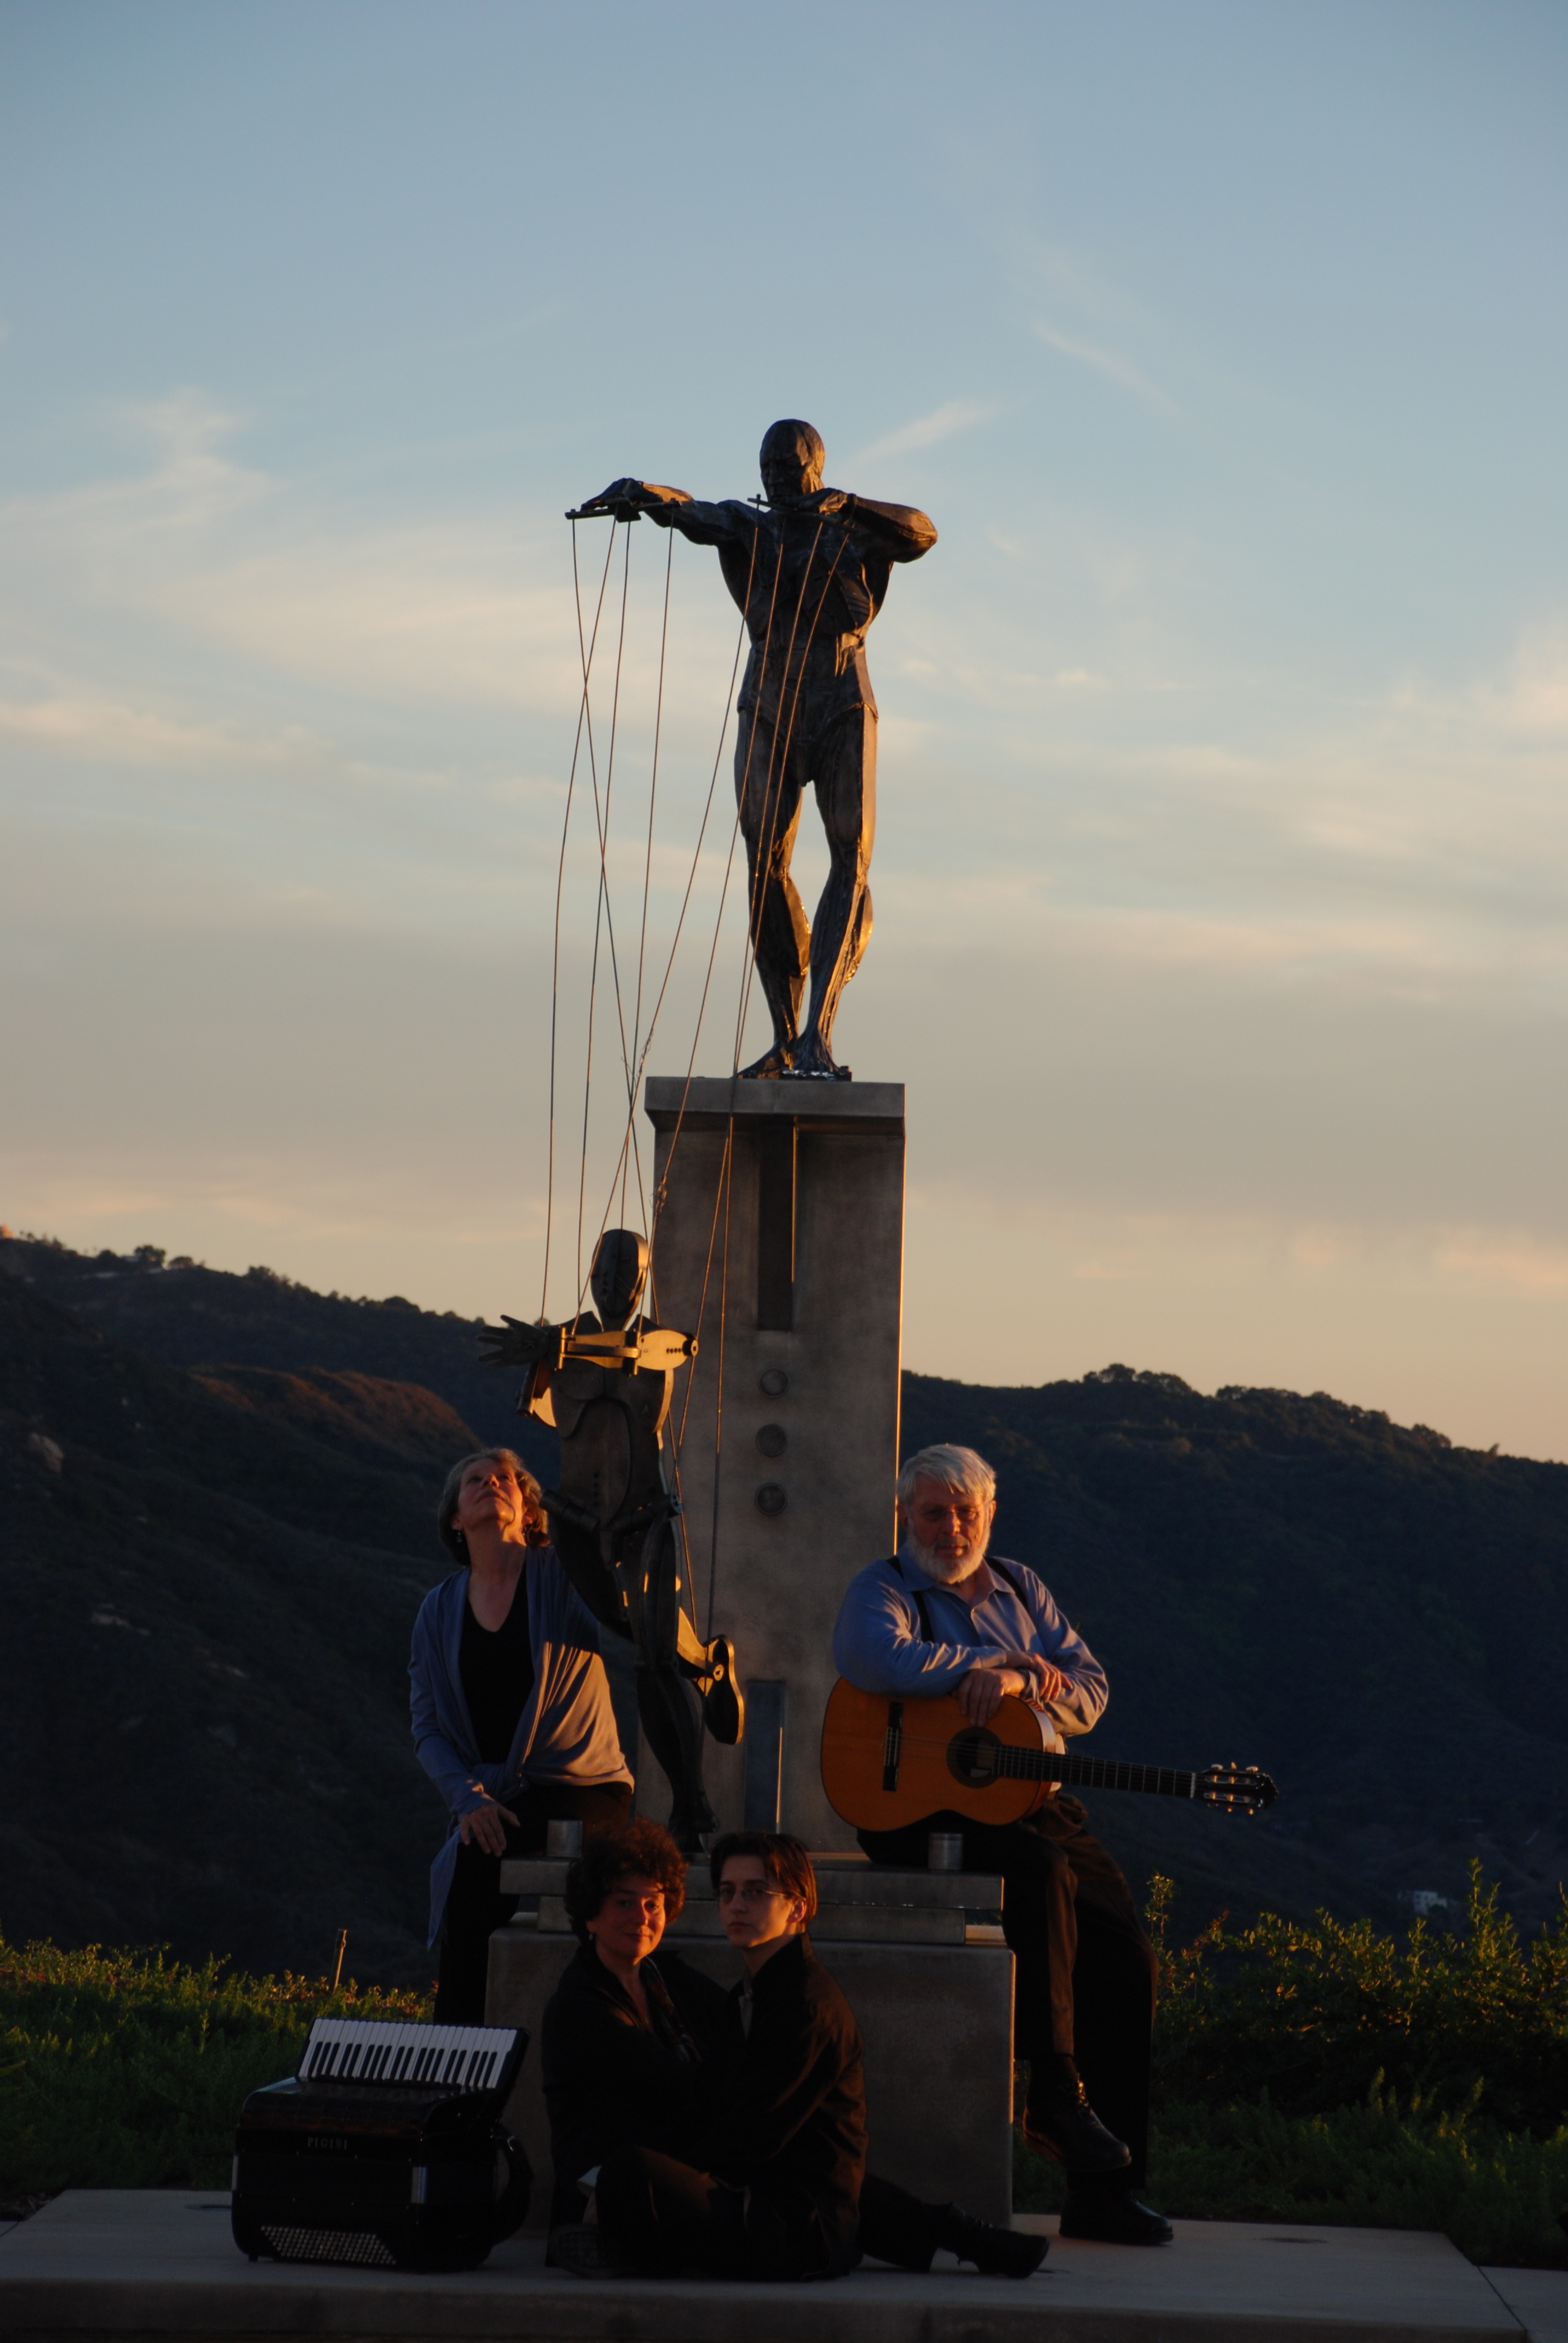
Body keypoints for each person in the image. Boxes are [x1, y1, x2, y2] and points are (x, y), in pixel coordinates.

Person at [832, 1443, 1172, 2247]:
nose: (951, 1528)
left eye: (965, 1512)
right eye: (933, 1512)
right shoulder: (881, 1588)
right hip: (916, 1812)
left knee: (1127, 1960)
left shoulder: (1022, 1585)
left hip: (1035, 1802)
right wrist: (993, 1662)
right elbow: (870, 1658)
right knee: (1040, 1875)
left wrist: (1021, 1682)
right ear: (905, 1516)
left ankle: (1106, 2191)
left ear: (989, 1512)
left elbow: (1089, 1688)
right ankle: (1053, 2089)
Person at [577, 421, 936, 1080]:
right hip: (770, 694)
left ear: (815, 467)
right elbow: (693, 512)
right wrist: (639, 492)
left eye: (787, 466)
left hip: (841, 694)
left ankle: (818, 1037)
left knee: (850, 854)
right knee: (762, 858)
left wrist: (850, 505)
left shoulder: (851, 525)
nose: (775, 476)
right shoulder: (754, 526)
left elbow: (922, 532)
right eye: (767, 466)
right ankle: (785, 1034)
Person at [557, 1827, 1044, 2282]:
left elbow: (747, 2138)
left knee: (630, 2174)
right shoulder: (746, 1996)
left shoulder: (803, 2006)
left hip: (797, 2235)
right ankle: (960, 2234)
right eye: (727, 1892)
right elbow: (715, 2103)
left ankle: (625, 2241)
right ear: (590, 1916)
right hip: (775, 2195)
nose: (736, 1906)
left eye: (755, 1892)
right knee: (634, 2170)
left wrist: (634, 2180)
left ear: (797, 1907)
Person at [410, 1446, 633, 2022]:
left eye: (506, 1479)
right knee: (475, 1858)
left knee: (478, 1856)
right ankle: (455, 2060)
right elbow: (428, 1727)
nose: (492, 1485)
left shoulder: (565, 1576)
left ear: (529, 1511)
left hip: (584, 1787)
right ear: (456, 1518)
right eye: (475, 1481)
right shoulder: (437, 1611)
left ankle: (459, 2052)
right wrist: (467, 1799)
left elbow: (624, 1607)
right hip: (493, 1798)